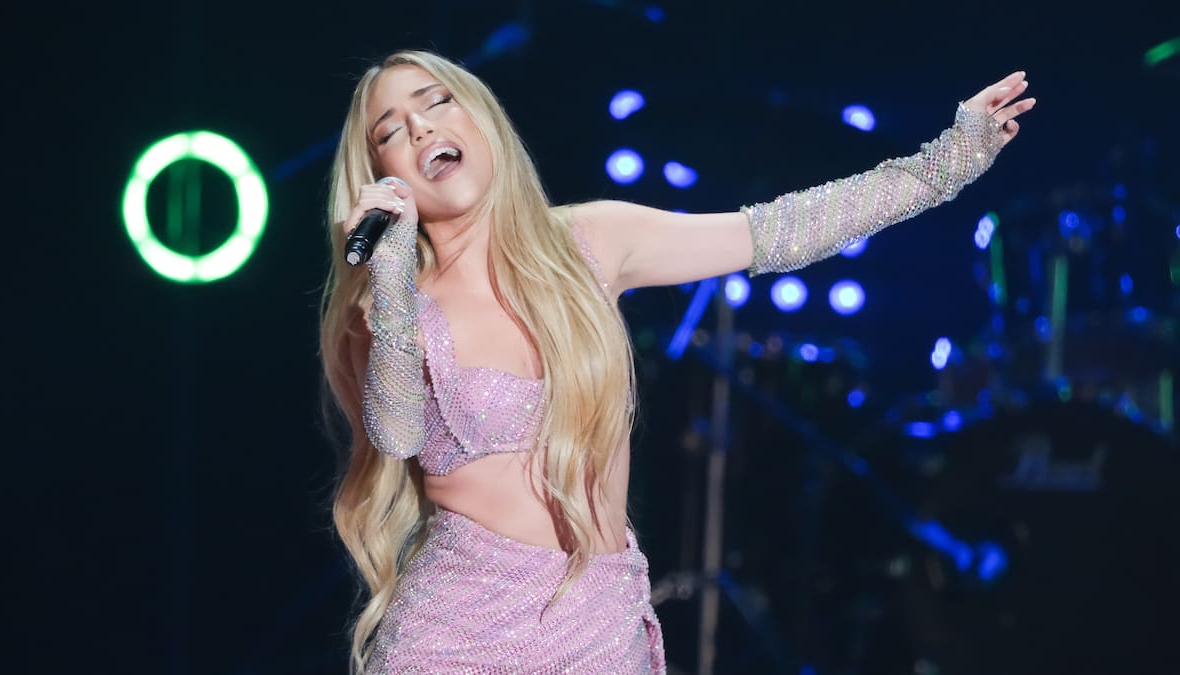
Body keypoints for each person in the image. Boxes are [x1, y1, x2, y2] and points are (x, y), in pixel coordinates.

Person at [318, 49, 1035, 674]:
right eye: (391, 131)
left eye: (437, 102)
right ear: (383, 175)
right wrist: (391, 283)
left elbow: (777, 230)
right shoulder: (390, 308)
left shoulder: (590, 242)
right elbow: (396, 433)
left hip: (598, 624)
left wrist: (948, 162)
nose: (420, 128)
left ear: (481, 121)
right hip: (454, 634)